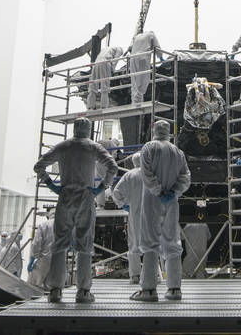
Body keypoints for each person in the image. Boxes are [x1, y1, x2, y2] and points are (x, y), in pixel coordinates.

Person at [34, 117, 119, 304]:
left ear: (74, 128)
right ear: (88, 129)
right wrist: (101, 188)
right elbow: (112, 166)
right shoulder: (92, 147)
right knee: (85, 244)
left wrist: (52, 186)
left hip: (65, 196)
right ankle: (83, 291)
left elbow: (39, 166)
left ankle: (55, 290)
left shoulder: (63, 146)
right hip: (85, 196)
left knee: (59, 244)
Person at [131, 120, 191, 302]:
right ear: (170, 131)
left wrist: (158, 190)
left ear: (153, 129)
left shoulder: (149, 148)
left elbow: (146, 174)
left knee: (150, 243)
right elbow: (185, 176)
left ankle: (148, 290)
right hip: (171, 201)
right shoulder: (177, 152)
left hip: (152, 200)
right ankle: (174, 289)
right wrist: (173, 191)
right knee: (172, 243)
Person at [110, 153, 145, 284]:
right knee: (151, 244)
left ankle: (135, 275)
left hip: (134, 213)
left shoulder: (129, 175)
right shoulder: (151, 174)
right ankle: (149, 275)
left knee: (134, 244)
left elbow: (116, 193)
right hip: (151, 214)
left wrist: (124, 205)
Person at [127, 30, 162, 104]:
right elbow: (157, 46)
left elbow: (130, 48)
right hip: (142, 58)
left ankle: (135, 102)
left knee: (135, 82)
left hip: (133, 59)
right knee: (143, 80)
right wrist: (160, 57)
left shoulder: (137, 36)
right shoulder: (151, 34)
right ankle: (138, 103)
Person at [88, 45, 125, 109]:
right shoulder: (119, 49)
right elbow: (115, 60)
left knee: (92, 87)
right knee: (105, 87)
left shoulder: (105, 49)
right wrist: (112, 70)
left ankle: (90, 106)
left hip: (96, 64)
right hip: (105, 62)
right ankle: (104, 106)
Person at [27, 210, 54, 290]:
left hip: (44, 259)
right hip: (59, 259)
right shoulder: (64, 226)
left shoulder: (44, 225)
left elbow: (36, 243)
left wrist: (32, 258)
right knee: (52, 288)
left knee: (34, 286)